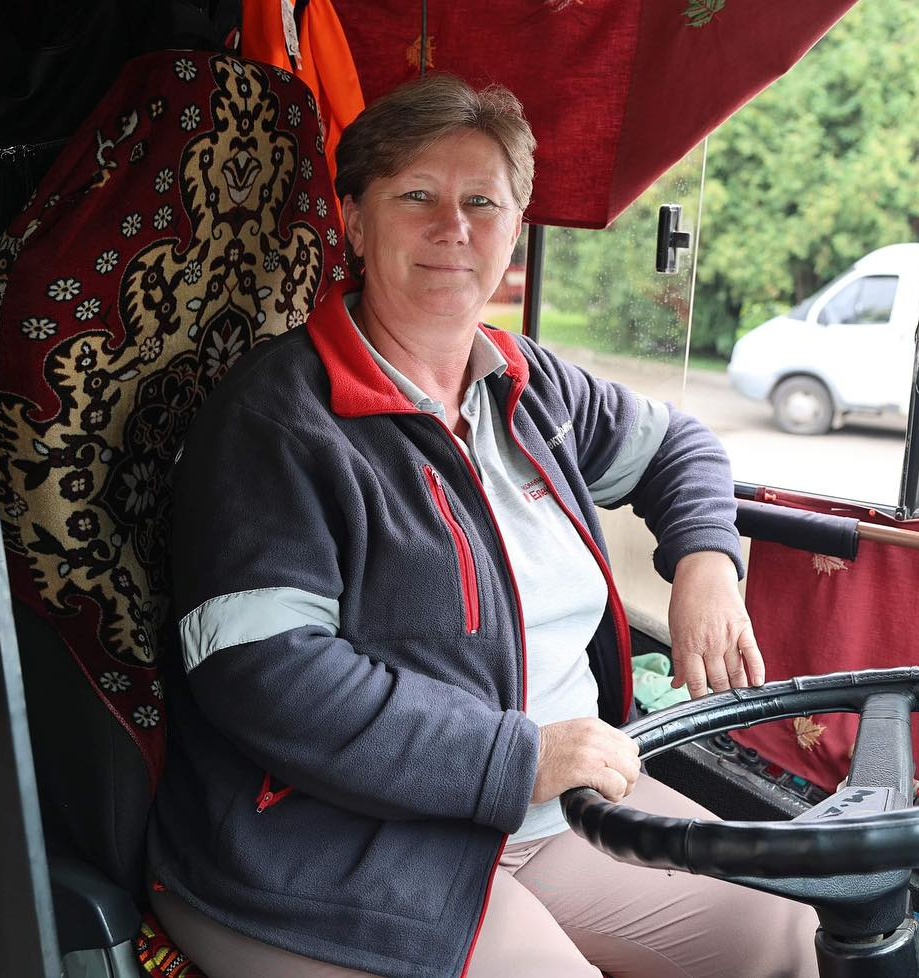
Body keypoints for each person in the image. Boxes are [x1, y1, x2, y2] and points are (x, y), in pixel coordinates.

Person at [146, 72, 819, 978]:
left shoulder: (529, 384)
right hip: (346, 840)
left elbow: (678, 447)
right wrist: (513, 759)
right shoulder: (276, 421)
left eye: (482, 203)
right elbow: (265, 675)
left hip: (559, 809)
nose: (452, 228)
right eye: (416, 196)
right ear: (354, 220)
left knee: (788, 932)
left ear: (515, 228)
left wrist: (707, 564)